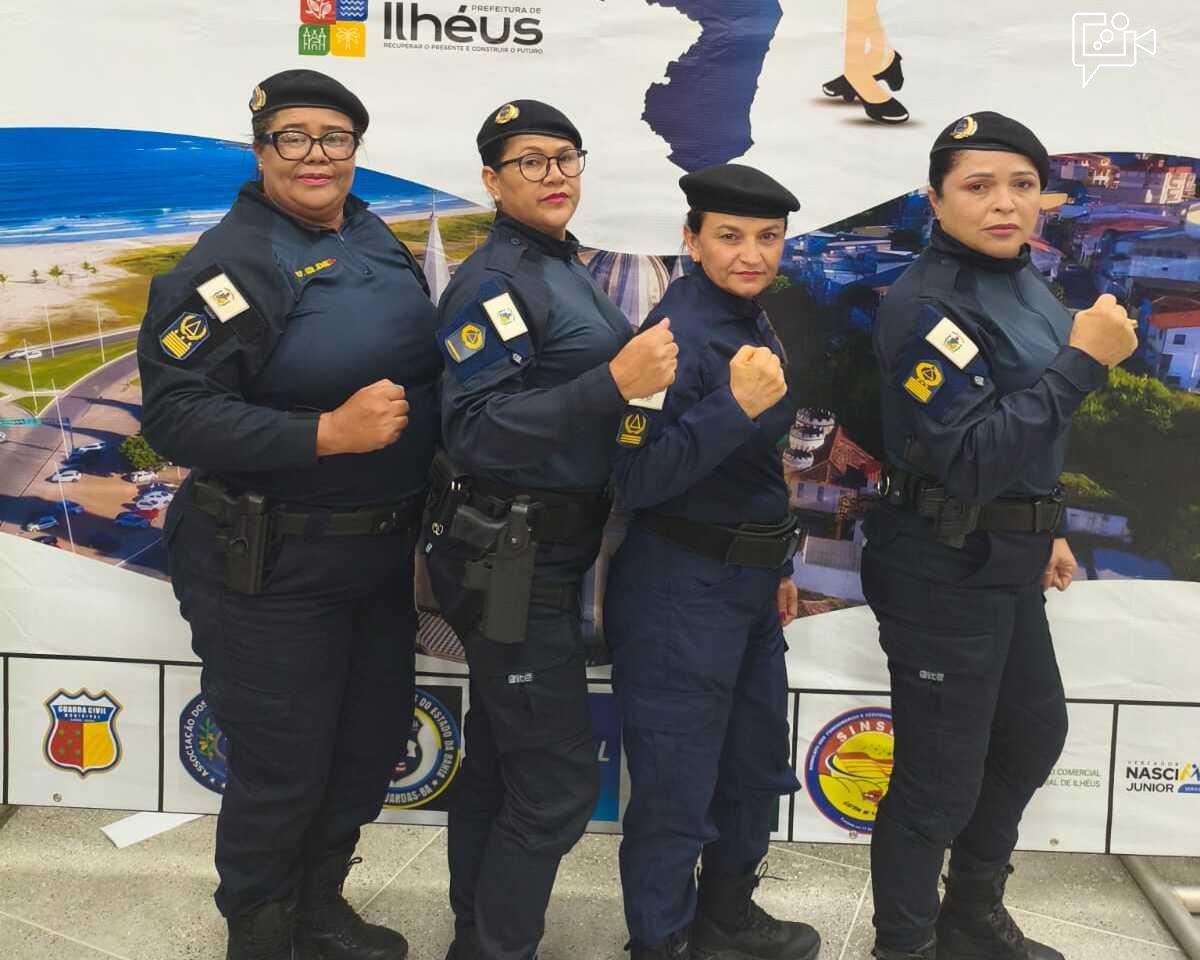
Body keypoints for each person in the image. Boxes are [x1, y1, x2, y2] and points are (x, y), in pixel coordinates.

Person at [138, 69, 441, 960]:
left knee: (364, 748)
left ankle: (319, 912)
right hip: (268, 564)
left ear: (356, 149)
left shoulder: (368, 232)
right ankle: (262, 937)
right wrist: (326, 434)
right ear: (261, 147)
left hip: (375, 558)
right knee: (282, 771)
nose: (317, 155)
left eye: (335, 137)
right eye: (294, 137)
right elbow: (174, 416)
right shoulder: (230, 263)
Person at [863, 112, 1139, 960]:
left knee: (1030, 735)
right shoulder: (925, 306)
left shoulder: (1023, 281)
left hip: (1006, 556)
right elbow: (974, 456)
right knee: (935, 784)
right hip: (939, 563)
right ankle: (902, 945)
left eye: (1021, 185)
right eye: (978, 186)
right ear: (936, 200)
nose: (1003, 203)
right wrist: (1085, 360)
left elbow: (1028, 434)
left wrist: (1046, 522)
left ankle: (970, 917)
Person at [421, 99, 678, 960]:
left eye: (566, 157)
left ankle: (476, 936)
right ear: (491, 181)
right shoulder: (494, 281)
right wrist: (613, 381)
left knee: (499, 761)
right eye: (529, 161)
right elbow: (478, 431)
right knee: (562, 782)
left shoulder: (558, 265)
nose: (555, 174)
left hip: (548, 550)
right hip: (510, 557)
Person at [604, 163, 822, 960]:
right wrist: (736, 407)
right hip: (678, 590)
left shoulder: (748, 316)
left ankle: (726, 916)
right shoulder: (668, 337)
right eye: (729, 237)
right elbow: (635, 478)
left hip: (748, 582)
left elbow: (756, 471)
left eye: (768, 239)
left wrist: (780, 561)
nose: (751, 254)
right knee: (675, 793)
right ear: (691, 240)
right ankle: (659, 945)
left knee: (752, 768)